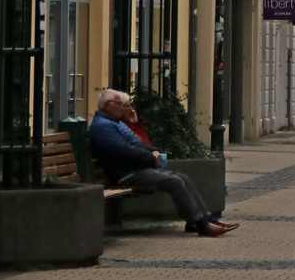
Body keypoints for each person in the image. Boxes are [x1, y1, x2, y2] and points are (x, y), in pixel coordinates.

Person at [89, 89, 236, 237]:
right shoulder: (103, 127)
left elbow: (136, 143)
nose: (122, 107)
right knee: (174, 181)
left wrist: (153, 151)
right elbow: (123, 150)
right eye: (119, 104)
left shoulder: (113, 123)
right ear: (108, 105)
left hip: (134, 169)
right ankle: (202, 224)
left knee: (182, 178)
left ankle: (205, 219)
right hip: (125, 173)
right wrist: (150, 157)